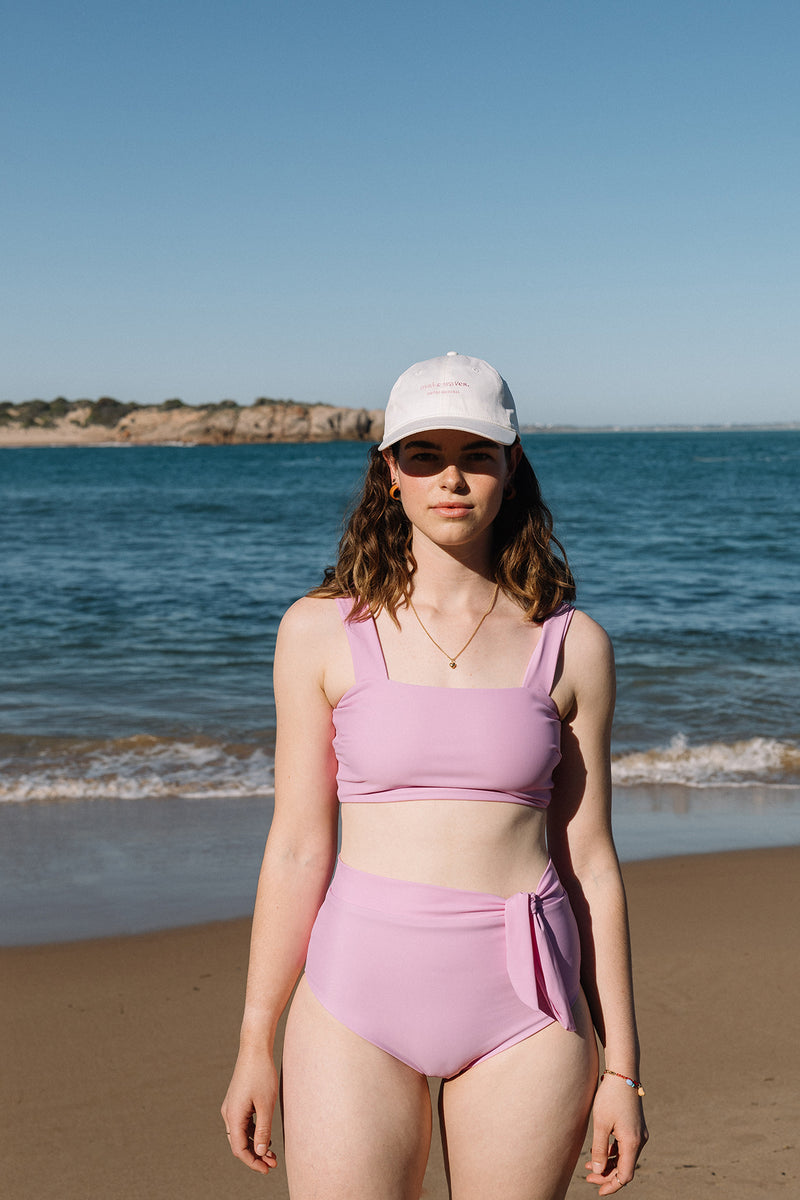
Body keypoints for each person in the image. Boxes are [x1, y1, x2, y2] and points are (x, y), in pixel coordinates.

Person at [221, 352, 648, 1199]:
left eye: (476, 454)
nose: (450, 478)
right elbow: (301, 849)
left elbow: (591, 862)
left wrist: (623, 1073)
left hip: (526, 1010)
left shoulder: (573, 646)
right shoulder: (317, 632)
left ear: (510, 465)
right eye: (424, 455)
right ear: (389, 472)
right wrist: (253, 1044)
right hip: (354, 1002)